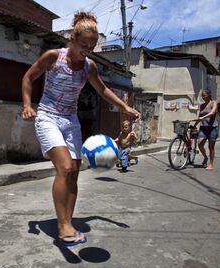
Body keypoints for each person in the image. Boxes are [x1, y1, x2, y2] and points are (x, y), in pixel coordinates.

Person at [21, 11, 140, 247]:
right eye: (83, 44)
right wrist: (27, 105)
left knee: (74, 172)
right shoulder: (53, 57)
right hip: (47, 117)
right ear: (72, 38)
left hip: (70, 120)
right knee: (64, 167)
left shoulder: (89, 67)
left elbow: (103, 90)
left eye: (92, 45)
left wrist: (125, 107)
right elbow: (28, 77)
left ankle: (68, 221)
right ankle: (62, 226)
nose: (87, 49)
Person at [194, 89, 218, 171]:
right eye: (202, 95)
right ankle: (205, 157)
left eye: (204, 95)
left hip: (212, 128)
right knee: (200, 144)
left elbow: (212, 113)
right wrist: (194, 125)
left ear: (209, 95)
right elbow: (199, 118)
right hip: (203, 128)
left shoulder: (214, 103)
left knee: (211, 147)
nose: (203, 97)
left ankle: (211, 164)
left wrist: (203, 117)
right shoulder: (202, 105)